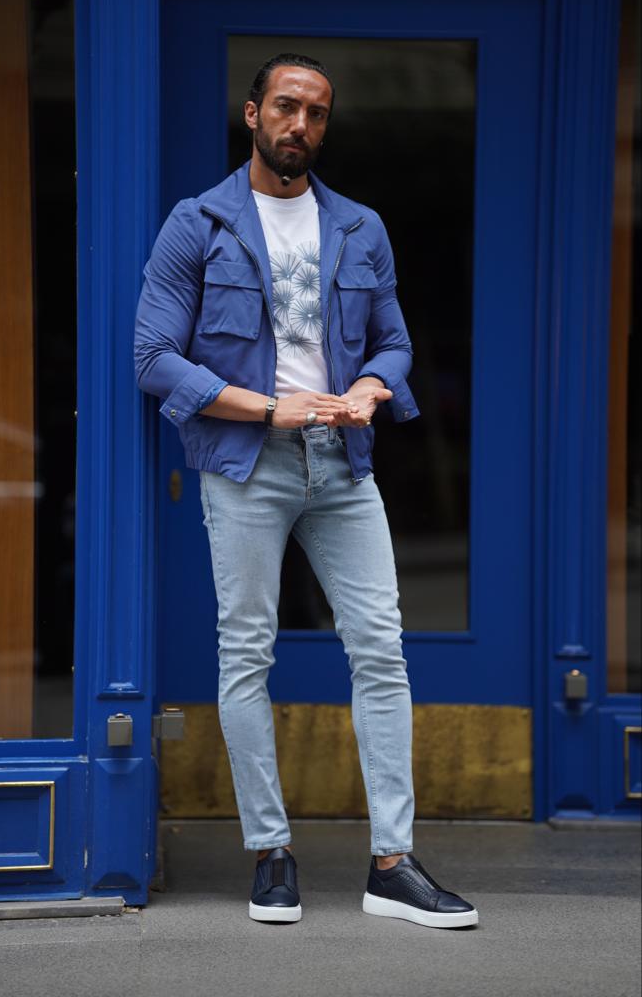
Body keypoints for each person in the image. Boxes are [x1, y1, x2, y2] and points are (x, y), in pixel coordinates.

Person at [134, 52, 478, 930]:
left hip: (343, 466)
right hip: (245, 467)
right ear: (251, 114)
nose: (301, 125)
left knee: (381, 648)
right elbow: (152, 358)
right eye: (285, 107)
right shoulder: (198, 222)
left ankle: (392, 864)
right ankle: (270, 852)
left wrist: (369, 388)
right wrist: (266, 408)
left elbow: (393, 343)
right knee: (246, 650)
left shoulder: (360, 227)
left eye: (316, 114)